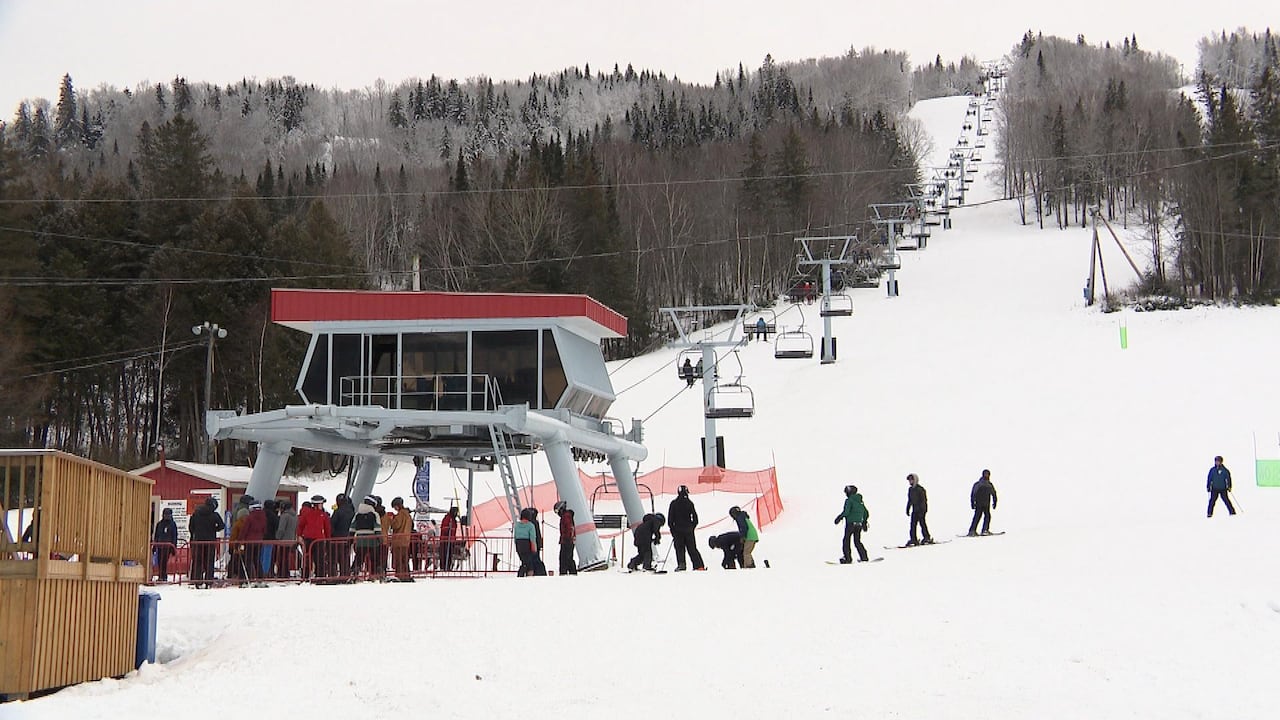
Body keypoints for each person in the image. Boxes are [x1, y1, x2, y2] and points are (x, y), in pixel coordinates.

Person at [667, 485, 706, 572]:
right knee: (692, 548)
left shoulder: (673, 503)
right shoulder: (690, 503)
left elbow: (670, 519)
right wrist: (692, 527)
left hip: (677, 531)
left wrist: (673, 530)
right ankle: (699, 566)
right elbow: (695, 519)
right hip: (689, 531)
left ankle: (682, 565)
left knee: (680, 548)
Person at [188, 497, 224, 587]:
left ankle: (197, 581)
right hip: (210, 541)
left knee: (198, 561)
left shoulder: (196, 513)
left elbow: (191, 527)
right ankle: (208, 581)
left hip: (198, 541)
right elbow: (222, 525)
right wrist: (214, 529)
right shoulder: (214, 515)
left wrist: (195, 533)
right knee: (209, 562)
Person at [297, 494, 332, 580]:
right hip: (318, 540)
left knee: (308, 558)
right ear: (318, 504)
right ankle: (319, 576)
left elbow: (300, 525)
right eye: (321, 504)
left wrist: (300, 535)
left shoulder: (307, 514)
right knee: (319, 559)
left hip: (309, 539)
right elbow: (327, 528)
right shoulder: (323, 515)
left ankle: (305, 576)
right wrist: (328, 539)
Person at [833, 484, 869, 563]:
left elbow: (846, 512)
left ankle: (847, 558)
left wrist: (839, 517)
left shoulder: (849, 500)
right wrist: (864, 522)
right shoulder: (860, 501)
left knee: (846, 541)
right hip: (858, 525)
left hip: (850, 524)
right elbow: (866, 513)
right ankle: (864, 557)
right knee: (857, 541)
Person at [351, 495, 381, 578]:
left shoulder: (357, 514)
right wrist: (380, 540)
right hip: (372, 541)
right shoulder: (374, 514)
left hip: (360, 540)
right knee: (374, 558)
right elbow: (377, 528)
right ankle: (374, 575)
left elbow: (352, 528)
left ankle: (354, 573)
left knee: (359, 558)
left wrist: (350, 539)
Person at [387, 497, 414, 581]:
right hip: (406, 540)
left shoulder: (401, 514)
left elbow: (396, 525)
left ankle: (400, 576)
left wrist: (391, 520)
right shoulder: (408, 515)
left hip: (399, 540)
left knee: (399, 560)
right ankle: (406, 575)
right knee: (405, 560)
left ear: (397, 506)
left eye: (394, 507)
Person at [514, 507, 547, 576]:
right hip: (528, 545)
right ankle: (530, 574)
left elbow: (515, 537)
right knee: (531, 562)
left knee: (524, 561)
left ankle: (521, 574)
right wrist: (535, 548)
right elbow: (533, 538)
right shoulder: (531, 525)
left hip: (519, 546)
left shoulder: (517, 525)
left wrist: (517, 547)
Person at [330, 493, 355, 580]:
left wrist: (332, 534)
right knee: (345, 558)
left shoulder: (338, 511)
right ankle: (345, 575)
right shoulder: (352, 511)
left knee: (334, 558)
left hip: (337, 538)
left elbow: (332, 524)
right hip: (348, 538)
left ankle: (333, 576)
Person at [904, 473, 933, 546]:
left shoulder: (920, 489)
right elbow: (910, 500)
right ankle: (913, 539)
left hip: (921, 511)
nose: (910, 482)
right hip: (915, 510)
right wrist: (908, 508)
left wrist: (923, 511)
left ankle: (927, 537)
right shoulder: (910, 490)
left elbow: (924, 501)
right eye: (909, 480)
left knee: (922, 524)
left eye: (911, 480)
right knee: (913, 525)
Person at [967, 470, 998, 536]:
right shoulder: (978, 484)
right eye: (985, 474)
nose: (987, 475)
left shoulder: (989, 484)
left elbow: (994, 493)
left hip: (986, 504)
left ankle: (985, 530)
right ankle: (972, 530)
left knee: (987, 516)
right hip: (979, 504)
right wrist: (972, 503)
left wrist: (995, 502)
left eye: (988, 474)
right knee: (977, 516)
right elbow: (973, 494)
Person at [152, 508, 178, 582]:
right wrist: (154, 545)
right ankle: (161, 575)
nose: (166, 516)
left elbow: (174, 536)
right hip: (160, 545)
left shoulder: (172, 524)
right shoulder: (159, 524)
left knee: (164, 561)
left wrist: (173, 547)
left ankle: (164, 575)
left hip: (168, 546)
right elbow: (156, 535)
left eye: (168, 514)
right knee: (160, 561)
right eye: (165, 514)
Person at [275, 501, 298, 579]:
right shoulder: (295, 516)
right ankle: (286, 573)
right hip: (291, 539)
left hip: (283, 540)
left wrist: (277, 537)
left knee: (281, 558)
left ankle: (281, 573)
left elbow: (281, 529)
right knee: (286, 557)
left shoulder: (284, 516)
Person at [554, 500, 577, 576]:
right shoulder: (567, 515)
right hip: (568, 540)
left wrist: (567, 538)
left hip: (567, 540)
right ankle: (572, 572)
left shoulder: (566, 516)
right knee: (568, 558)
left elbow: (569, 528)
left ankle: (564, 573)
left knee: (564, 558)